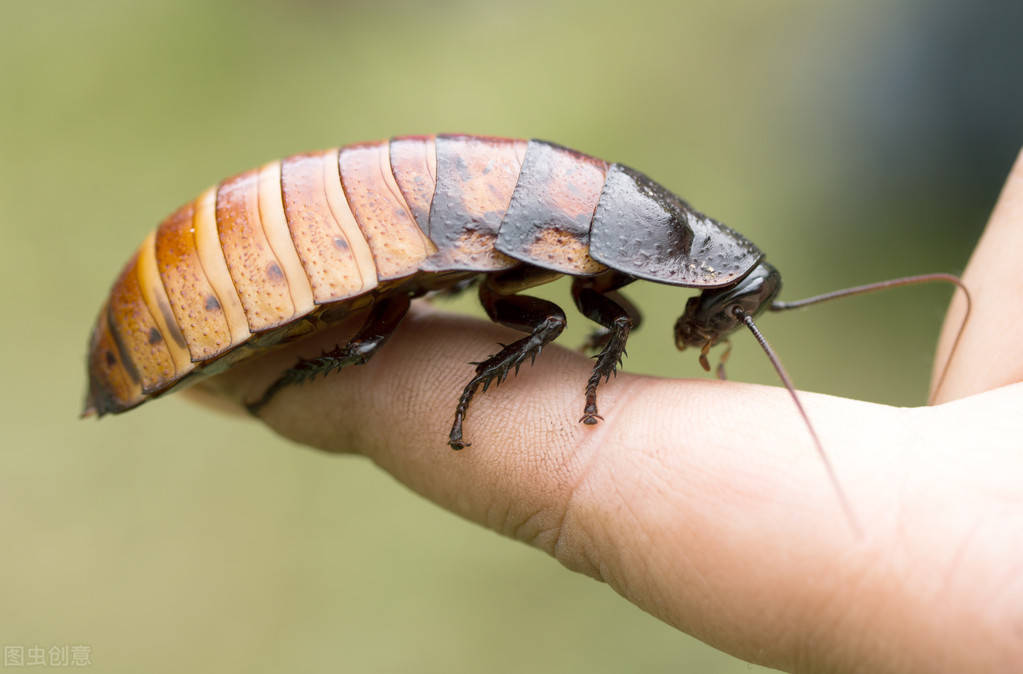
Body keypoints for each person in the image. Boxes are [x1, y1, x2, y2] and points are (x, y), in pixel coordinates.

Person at [188, 150, 1023, 673]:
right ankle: (274, 383)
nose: (707, 323)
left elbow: (605, 309)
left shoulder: (602, 245)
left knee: (525, 321)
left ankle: (272, 383)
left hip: (335, 204)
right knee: (407, 342)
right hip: (301, 223)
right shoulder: (591, 248)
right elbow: (597, 311)